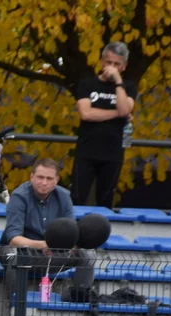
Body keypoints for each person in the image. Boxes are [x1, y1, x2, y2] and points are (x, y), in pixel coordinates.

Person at [1, 158, 95, 290]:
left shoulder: (64, 196)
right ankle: (15, 305)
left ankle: (80, 297)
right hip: (24, 251)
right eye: (40, 177)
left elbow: (71, 233)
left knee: (88, 254)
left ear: (56, 180)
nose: (44, 183)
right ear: (31, 176)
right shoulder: (19, 196)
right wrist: (44, 245)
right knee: (14, 256)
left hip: (54, 253)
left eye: (49, 178)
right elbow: (14, 240)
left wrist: (71, 245)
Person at [71, 41, 137, 208]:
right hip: (86, 150)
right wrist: (118, 114)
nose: (111, 67)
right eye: (108, 62)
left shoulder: (128, 86)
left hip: (113, 152)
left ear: (124, 66)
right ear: (101, 62)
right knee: (77, 197)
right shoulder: (87, 83)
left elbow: (125, 107)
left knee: (106, 200)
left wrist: (118, 83)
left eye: (117, 64)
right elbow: (86, 113)